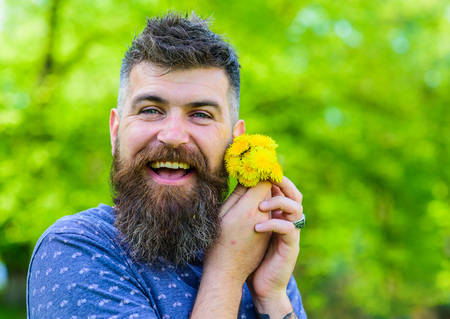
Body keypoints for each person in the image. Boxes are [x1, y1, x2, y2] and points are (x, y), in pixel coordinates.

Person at [27, 11, 307, 319]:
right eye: (150, 110)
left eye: (201, 114)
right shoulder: (75, 248)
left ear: (236, 142)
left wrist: (273, 296)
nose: (173, 136)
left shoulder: (257, 259)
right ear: (116, 131)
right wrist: (226, 273)